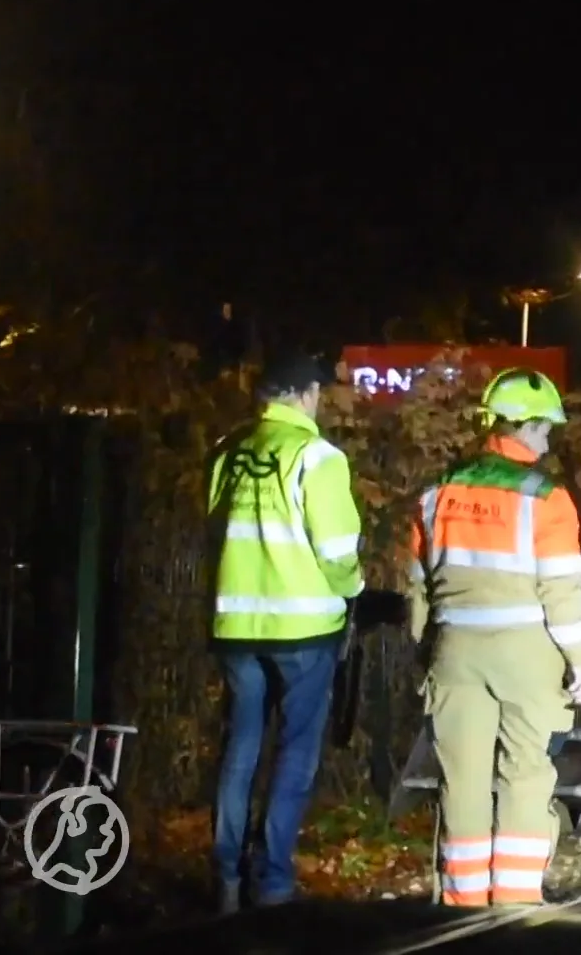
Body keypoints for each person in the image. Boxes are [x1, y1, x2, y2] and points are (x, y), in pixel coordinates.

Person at [407, 368, 581, 908]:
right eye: (544, 429)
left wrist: (426, 648)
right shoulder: (547, 498)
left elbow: (417, 586)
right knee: (526, 773)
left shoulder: (436, 494)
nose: (548, 440)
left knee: (461, 779)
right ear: (525, 427)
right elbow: (560, 589)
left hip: (454, 652)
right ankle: (514, 905)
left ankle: (462, 907)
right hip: (524, 652)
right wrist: (580, 660)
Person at [207, 351, 364, 913]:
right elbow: (338, 550)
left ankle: (225, 878)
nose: (320, 401)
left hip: (235, 627)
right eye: (317, 392)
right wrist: (354, 589)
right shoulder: (317, 457)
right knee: (295, 752)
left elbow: (215, 528)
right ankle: (272, 882)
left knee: (241, 749)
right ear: (301, 395)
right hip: (303, 628)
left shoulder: (229, 451)